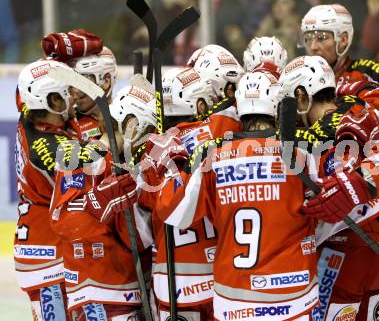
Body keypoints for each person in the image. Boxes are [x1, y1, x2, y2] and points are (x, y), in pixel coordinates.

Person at [151, 65, 379, 320]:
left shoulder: (212, 158)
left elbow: (172, 212)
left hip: (233, 302)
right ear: (279, 106)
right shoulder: (302, 153)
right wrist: (360, 184)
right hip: (292, 298)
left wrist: (177, 166)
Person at [279, 55, 379, 320]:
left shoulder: (304, 138)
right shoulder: (358, 110)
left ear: (301, 96)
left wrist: (354, 184)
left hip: (344, 244)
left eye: (288, 103)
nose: (286, 114)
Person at [299, 3, 379, 256]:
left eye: (322, 37)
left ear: (343, 39)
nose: (313, 46)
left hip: (371, 188)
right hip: (327, 198)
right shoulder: (298, 77)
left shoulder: (374, 76)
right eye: (308, 38)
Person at [138, 65, 242, 320]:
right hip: (221, 276)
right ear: (200, 104)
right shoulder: (224, 127)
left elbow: (146, 206)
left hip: (175, 283)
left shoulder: (153, 147)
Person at [50, 84, 157, 320]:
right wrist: (103, 199)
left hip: (133, 291)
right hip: (98, 293)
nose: (149, 139)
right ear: (131, 124)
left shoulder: (135, 167)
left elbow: (140, 237)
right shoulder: (78, 153)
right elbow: (64, 220)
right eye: (147, 129)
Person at [15, 59, 76, 320]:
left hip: (40, 241)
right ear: (50, 100)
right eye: (65, 92)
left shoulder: (32, 119)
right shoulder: (49, 149)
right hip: (47, 249)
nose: (72, 97)